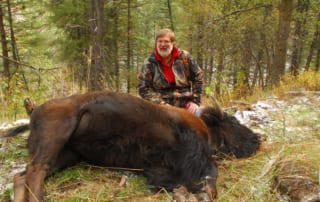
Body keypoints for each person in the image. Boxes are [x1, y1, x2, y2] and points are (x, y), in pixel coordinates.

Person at [138, 28, 204, 114]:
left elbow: (198, 78)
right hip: (159, 107)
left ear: (173, 43)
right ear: (156, 43)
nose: (162, 44)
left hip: (185, 105)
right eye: (160, 41)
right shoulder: (149, 62)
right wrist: (162, 105)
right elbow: (143, 89)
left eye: (166, 41)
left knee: (206, 119)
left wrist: (195, 101)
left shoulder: (185, 57)